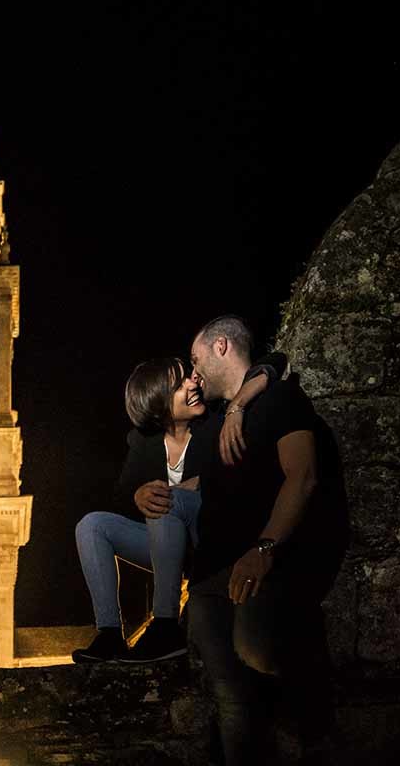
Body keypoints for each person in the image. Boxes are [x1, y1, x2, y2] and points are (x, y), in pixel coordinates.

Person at [185, 315, 346, 766]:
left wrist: (265, 548)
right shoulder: (220, 417)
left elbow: (303, 475)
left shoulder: (280, 399)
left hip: (256, 567)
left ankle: (315, 729)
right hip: (210, 580)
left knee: (258, 655)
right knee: (230, 701)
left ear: (221, 347)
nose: (193, 373)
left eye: (196, 359)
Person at [73, 351, 286, 664]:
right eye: (180, 383)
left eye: (189, 375)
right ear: (158, 401)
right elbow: (122, 497)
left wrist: (237, 408)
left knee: (169, 501)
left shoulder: (217, 420)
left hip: (211, 538)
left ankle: (165, 625)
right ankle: (109, 634)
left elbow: (276, 362)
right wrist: (138, 496)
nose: (192, 383)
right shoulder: (143, 441)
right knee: (91, 525)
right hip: (170, 547)